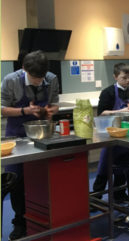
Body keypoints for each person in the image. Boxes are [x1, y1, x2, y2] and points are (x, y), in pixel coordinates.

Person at [1, 50, 60, 240]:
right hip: (17, 136)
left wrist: (50, 111)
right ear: (24, 68)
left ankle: (45, 218)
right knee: (17, 181)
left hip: (42, 134)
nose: (38, 82)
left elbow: (55, 104)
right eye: (34, 78)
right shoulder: (10, 80)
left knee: (43, 177)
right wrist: (25, 110)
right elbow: (2, 109)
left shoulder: (51, 79)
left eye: (41, 78)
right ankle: (19, 222)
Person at [91, 63, 129, 204]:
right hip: (111, 135)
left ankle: (119, 193)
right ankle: (96, 197)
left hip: (128, 135)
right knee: (104, 166)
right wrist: (120, 112)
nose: (127, 80)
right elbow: (101, 113)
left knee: (123, 166)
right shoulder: (108, 92)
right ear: (115, 77)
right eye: (124, 78)